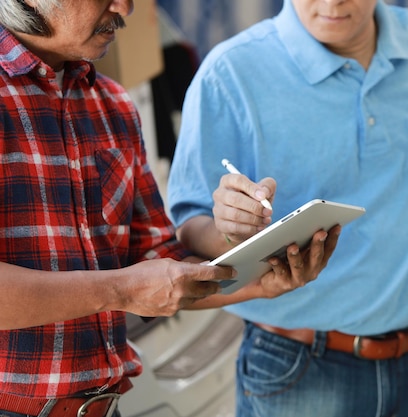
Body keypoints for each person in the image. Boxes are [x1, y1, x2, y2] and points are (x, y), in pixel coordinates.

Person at [167, 0, 408, 416]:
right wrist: (231, 229)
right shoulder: (231, 73)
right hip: (298, 369)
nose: (330, 2)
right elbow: (188, 228)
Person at [0, 1, 339, 416]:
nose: (124, 6)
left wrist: (263, 284)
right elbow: (137, 284)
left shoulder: (113, 106)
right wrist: (122, 288)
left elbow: (159, 267)